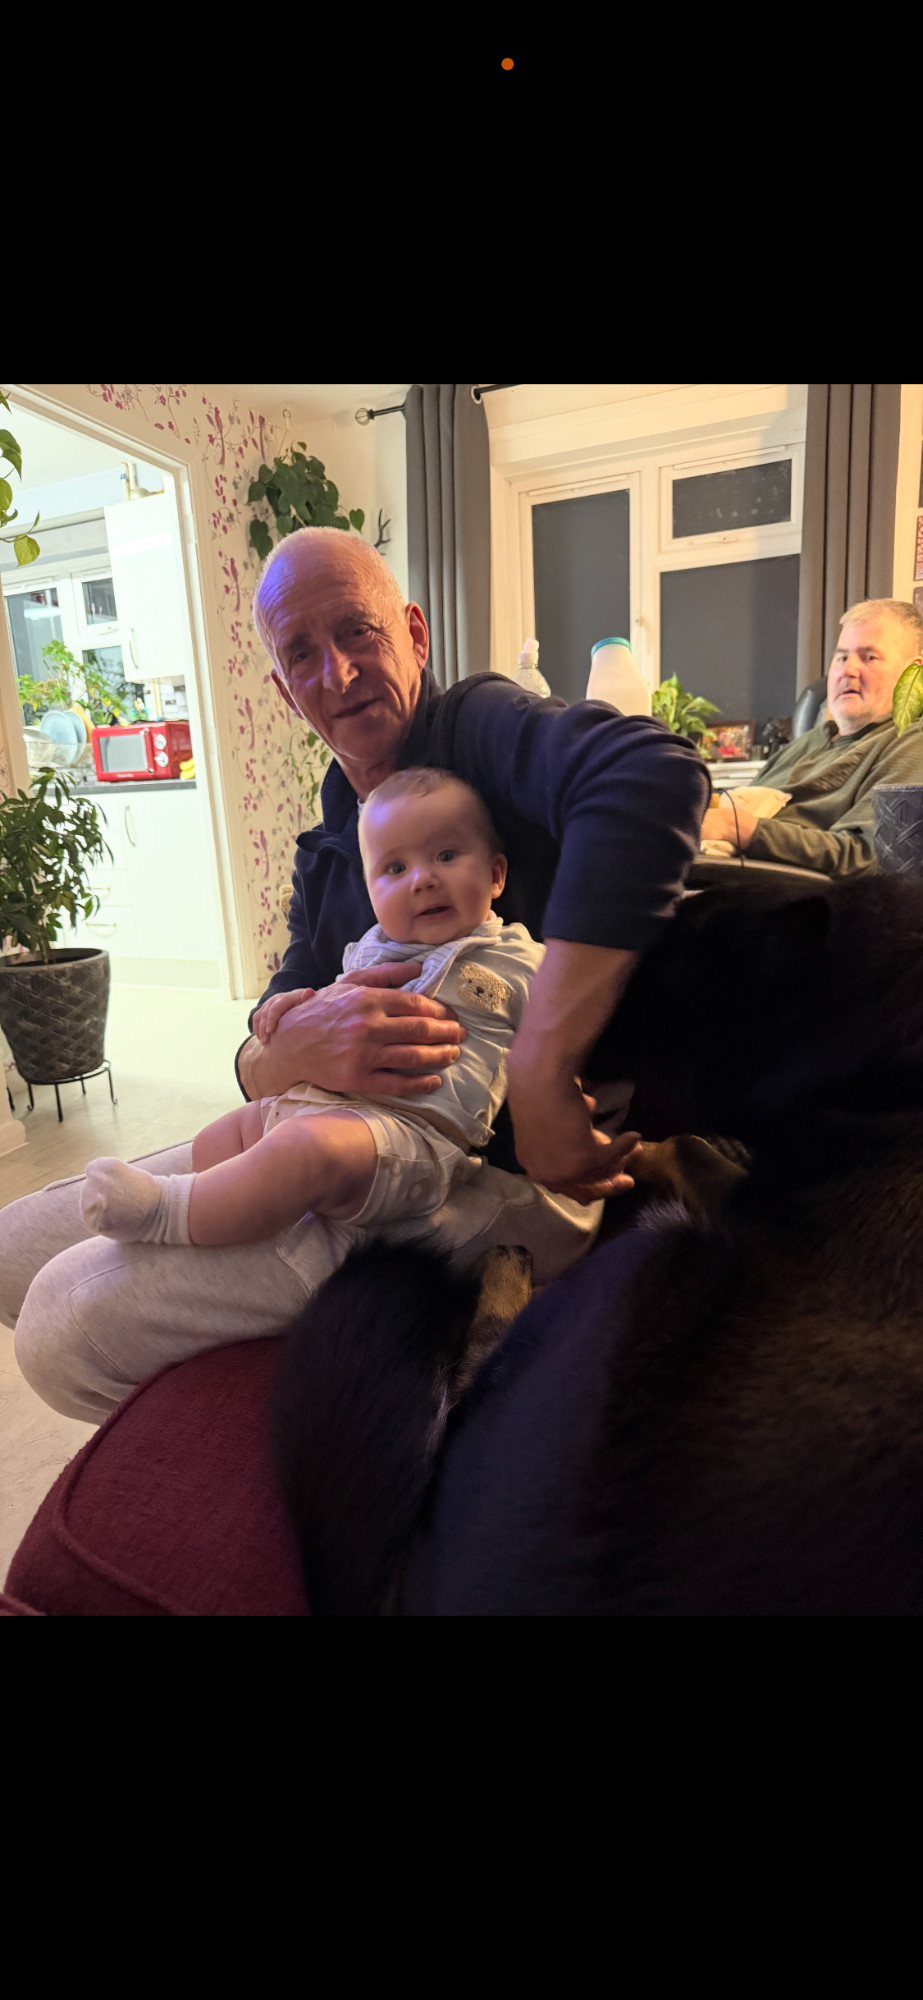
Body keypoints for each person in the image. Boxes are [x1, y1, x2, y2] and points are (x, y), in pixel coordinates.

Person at [2, 526, 707, 1424]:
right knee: (12, 1250)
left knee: (62, 1327)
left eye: (357, 632)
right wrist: (288, 1049)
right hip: (330, 1125)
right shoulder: (337, 838)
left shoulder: (477, 728)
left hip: (465, 1172)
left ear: (413, 633)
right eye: (302, 652)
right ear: (281, 685)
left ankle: (305, 1429)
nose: (336, 674)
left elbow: (650, 775)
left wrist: (539, 1065)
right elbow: (268, 1023)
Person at [77, 769, 641, 1252]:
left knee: (302, 1152)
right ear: (370, 892)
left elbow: (559, 1036)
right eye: (395, 869)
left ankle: (167, 1219)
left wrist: (565, 1104)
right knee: (221, 1137)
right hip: (322, 1105)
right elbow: (328, 1006)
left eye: (446, 855)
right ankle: (230, 1205)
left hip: (413, 1139)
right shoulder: (369, 948)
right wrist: (291, 1009)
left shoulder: (519, 958)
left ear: (496, 875)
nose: (423, 879)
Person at [700, 599, 923, 876]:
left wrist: (739, 828)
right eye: (842, 657)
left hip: (783, 896)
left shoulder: (911, 744)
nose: (848, 670)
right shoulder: (810, 741)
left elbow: (868, 857)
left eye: (870, 657)